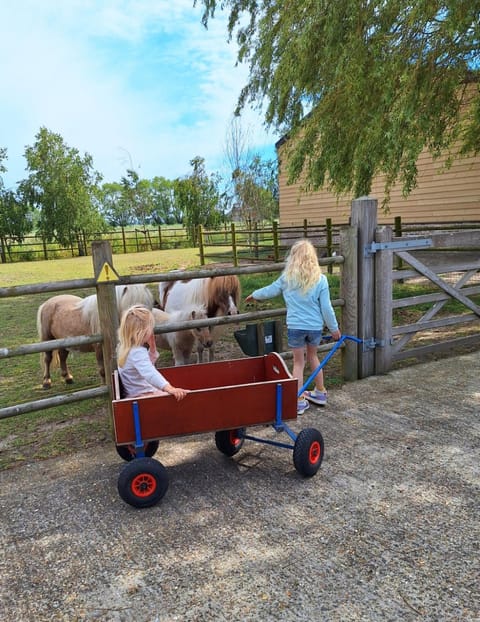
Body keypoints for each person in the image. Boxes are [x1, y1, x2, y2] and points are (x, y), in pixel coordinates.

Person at [245, 239, 341, 414]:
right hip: (314, 327)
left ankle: (297, 400)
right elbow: (327, 308)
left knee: (298, 362)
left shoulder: (287, 278)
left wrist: (255, 295)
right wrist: (334, 329)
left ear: (293, 258)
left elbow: (271, 290)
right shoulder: (321, 280)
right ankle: (320, 392)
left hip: (296, 326)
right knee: (313, 357)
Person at [117, 304, 189, 400]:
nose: (152, 331)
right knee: (187, 396)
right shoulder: (137, 352)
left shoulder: (127, 348)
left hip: (140, 392)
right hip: (143, 396)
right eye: (150, 328)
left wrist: (152, 348)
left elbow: (145, 365)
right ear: (142, 331)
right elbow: (150, 373)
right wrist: (169, 388)